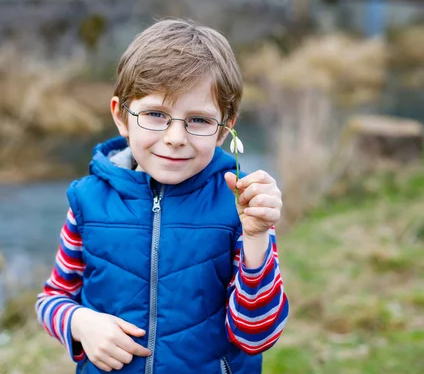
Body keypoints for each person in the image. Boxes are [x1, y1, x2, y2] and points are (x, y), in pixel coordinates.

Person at [35, 19, 289, 374]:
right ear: (121, 117)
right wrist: (80, 323)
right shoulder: (87, 201)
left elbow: (257, 336)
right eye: (155, 114)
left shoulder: (242, 206)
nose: (174, 137)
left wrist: (257, 237)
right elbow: (52, 299)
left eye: (198, 120)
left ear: (225, 127)